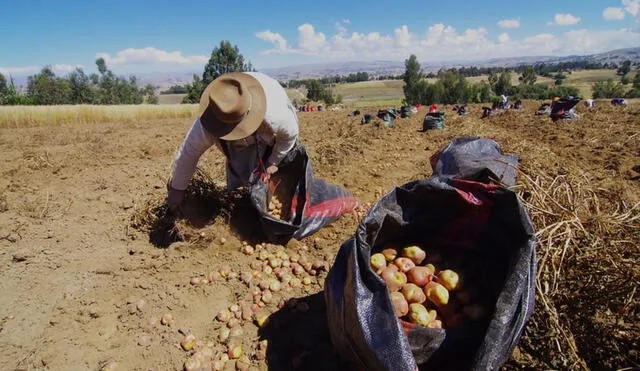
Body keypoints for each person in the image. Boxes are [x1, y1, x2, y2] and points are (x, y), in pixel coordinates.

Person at [167, 72, 299, 212]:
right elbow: (187, 155)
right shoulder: (208, 121)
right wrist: (177, 191)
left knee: (282, 171)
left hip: (270, 128)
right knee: (242, 171)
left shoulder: (275, 116)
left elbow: (289, 137)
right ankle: (245, 206)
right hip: (243, 134)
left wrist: (273, 162)